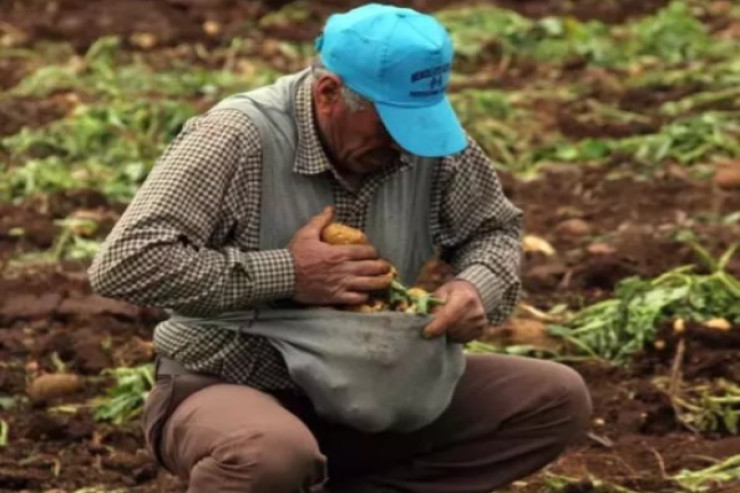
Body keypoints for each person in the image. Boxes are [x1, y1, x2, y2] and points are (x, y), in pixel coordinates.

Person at [88, 3, 592, 492]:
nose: (405, 144)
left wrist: (475, 286)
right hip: (232, 382)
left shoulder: (427, 146)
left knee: (552, 398)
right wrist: (289, 274)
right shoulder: (236, 137)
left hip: (380, 389)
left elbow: (493, 230)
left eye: (417, 122)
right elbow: (125, 262)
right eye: (390, 124)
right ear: (328, 92)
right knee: (270, 456)